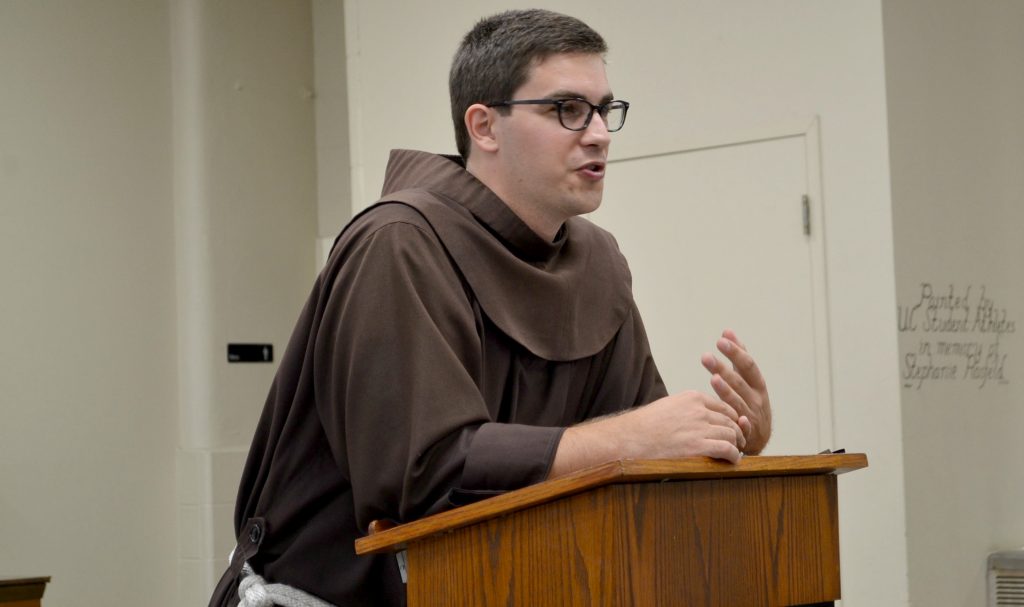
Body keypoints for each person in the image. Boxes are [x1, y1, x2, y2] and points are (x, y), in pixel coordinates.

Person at [209, 8, 771, 607]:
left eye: (606, 110)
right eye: (568, 109)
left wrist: (723, 436)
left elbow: (635, 443)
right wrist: (631, 439)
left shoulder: (599, 261)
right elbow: (422, 477)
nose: (601, 132)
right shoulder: (398, 242)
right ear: (484, 126)